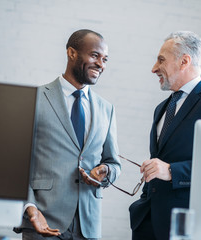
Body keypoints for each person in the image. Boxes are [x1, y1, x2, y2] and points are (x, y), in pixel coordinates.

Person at [129, 31, 201, 240]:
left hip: (186, 225)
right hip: (147, 223)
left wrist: (171, 170)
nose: (154, 68)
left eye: (161, 60)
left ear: (184, 61)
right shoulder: (162, 108)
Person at [15, 29, 121, 240]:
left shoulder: (106, 109)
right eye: (94, 55)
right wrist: (30, 207)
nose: (101, 64)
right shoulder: (34, 99)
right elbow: (16, 164)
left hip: (87, 227)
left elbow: (114, 162)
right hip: (42, 221)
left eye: (105, 59)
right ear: (72, 53)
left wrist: (106, 171)